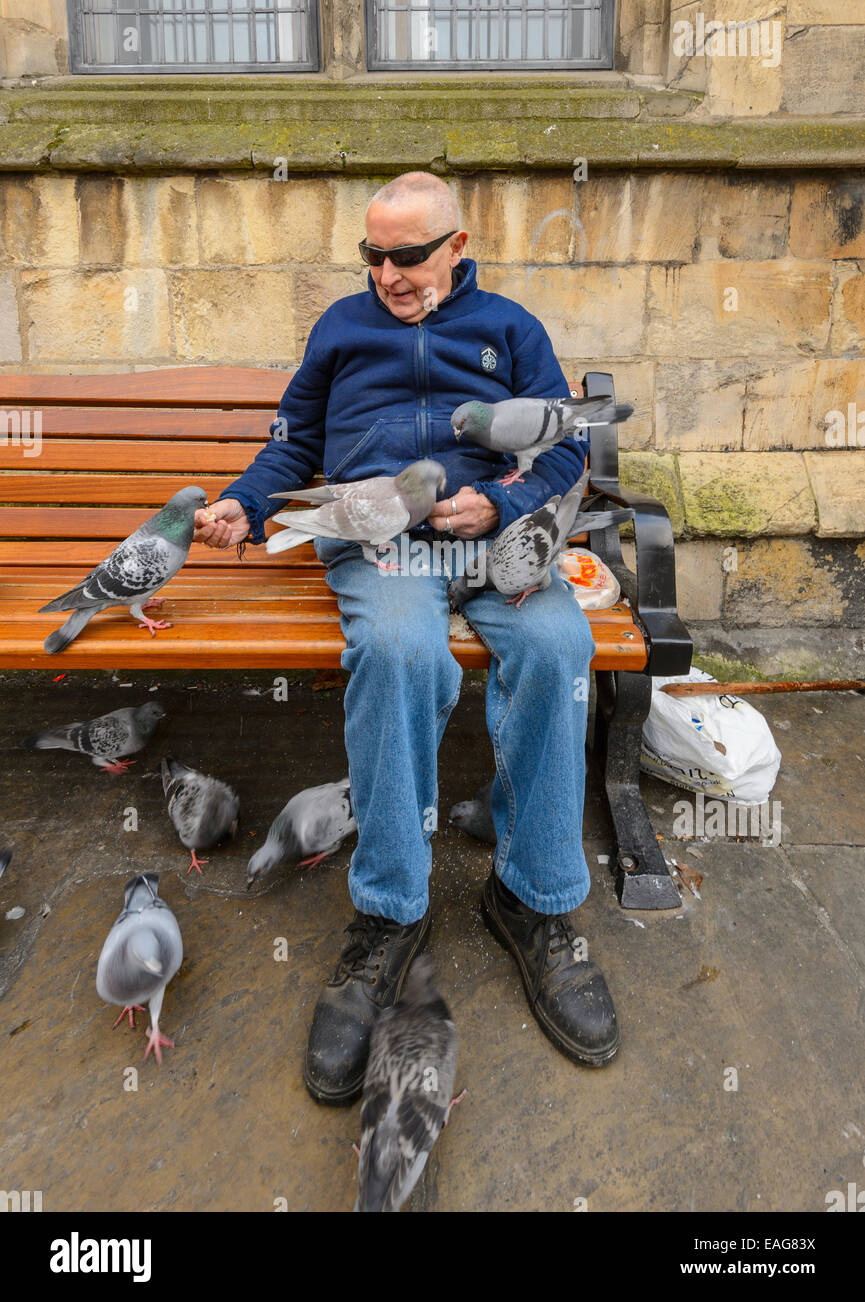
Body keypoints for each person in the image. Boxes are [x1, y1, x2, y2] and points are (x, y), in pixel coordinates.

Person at [194, 171, 619, 1105]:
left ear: (456, 247)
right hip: (377, 537)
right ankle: (390, 913)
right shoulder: (342, 331)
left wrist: (501, 501)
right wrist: (244, 500)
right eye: (372, 256)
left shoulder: (509, 327)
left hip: (496, 541)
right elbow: (292, 442)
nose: (387, 274)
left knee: (556, 650)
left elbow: (560, 447)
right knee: (399, 652)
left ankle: (534, 900)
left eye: (408, 255)